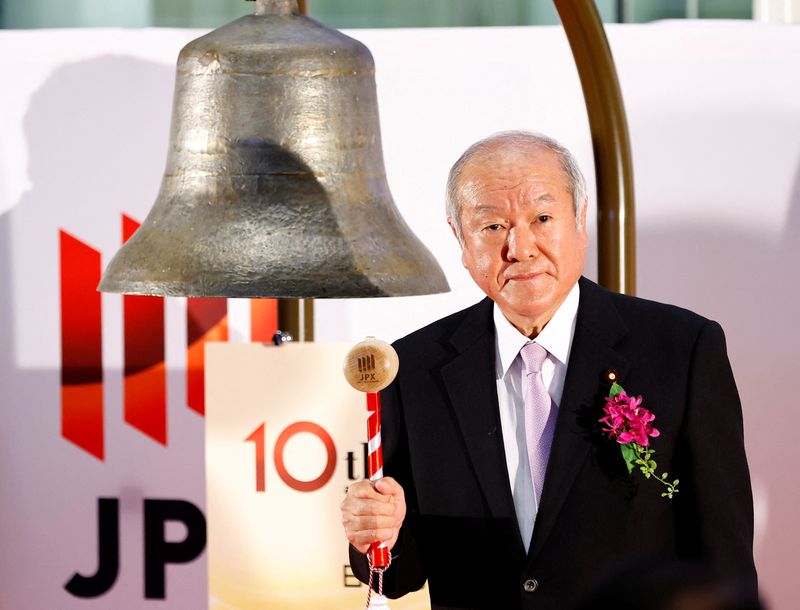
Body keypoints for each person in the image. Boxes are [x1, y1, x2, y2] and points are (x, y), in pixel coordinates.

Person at [340, 131, 757, 609]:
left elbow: (725, 561)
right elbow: (396, 576)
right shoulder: (414, 368)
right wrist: (376, 534)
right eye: (492, 226)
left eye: (541, 218)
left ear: (579, 220)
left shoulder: (680, 350)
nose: (520, 247)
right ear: (459, 237)